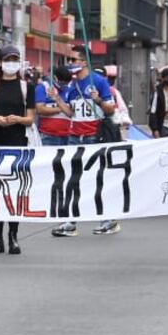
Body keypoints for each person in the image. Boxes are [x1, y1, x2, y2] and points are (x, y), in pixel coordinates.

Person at [52, 46, 117, 237]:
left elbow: (110, 110)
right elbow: (71, 113)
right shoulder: (71, 86)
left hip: (94, 136)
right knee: (74, 179)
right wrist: (57, 99)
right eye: (69, 60)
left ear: (84, 61)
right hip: (75, 137)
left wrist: (98, 101)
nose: (70, 64)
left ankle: (108, 220)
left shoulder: (99, 81)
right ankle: (70, 221)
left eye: (73, 60)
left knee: (97, 178)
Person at [0, 46, 34, 255]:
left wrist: (17, 119)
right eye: (8, 59)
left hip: (19, 144)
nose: (11, 63)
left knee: (15, 191)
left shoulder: (26, 87)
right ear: (0, 62)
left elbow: (31, 118)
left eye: (15, 59)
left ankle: (13, 236)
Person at [35, 65, 75, 147]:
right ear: (55, 78)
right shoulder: (43, 87)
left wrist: (59, 102)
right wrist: (61, 108)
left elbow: (71, 113)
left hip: (67, 136)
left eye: (66, 84)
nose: (64, 85)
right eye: (62, 83)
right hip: (47, 135)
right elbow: (40, 109)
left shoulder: (70, 89)